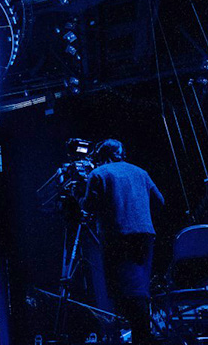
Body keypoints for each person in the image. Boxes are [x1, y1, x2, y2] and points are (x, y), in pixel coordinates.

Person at [80, 139, 164, 345]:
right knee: (140, 288)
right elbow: (160, 201)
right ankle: (142, 334)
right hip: (145, 235)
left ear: (102, 156)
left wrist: (78, 196)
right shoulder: (141, 172)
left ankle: (138, 338)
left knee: (122, 292)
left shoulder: (98, 174)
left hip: (116, 236)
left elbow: (88, 206)